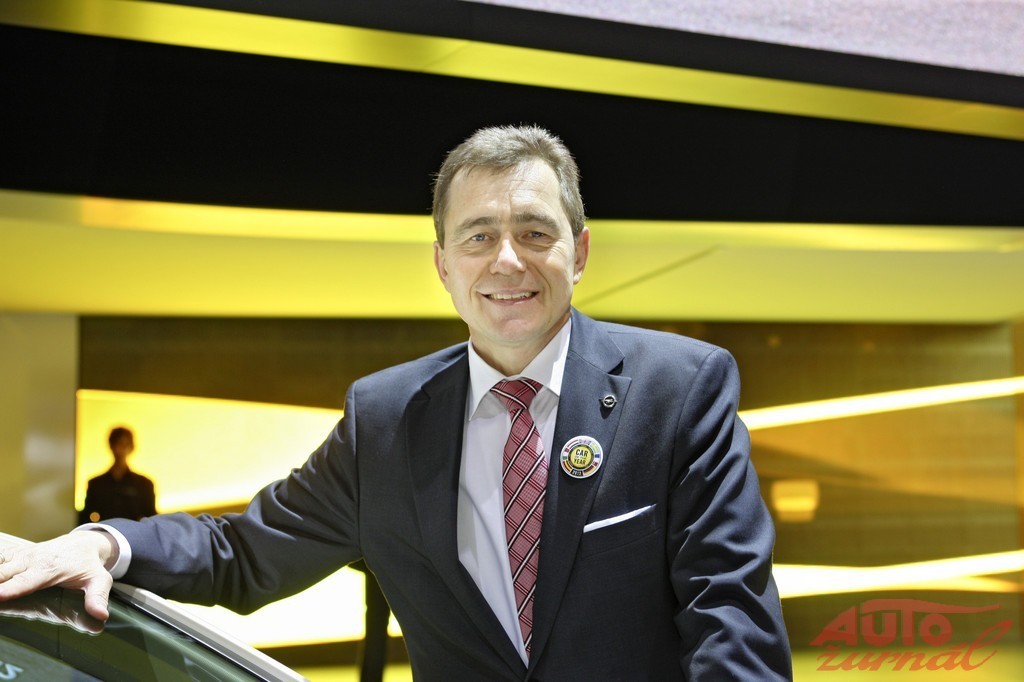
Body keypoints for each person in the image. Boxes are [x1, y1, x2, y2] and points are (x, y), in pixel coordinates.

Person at [0, 125, 792, 679]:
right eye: (477, 236)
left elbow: (732, 622)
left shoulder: (679, 389)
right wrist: (102, 546)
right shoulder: (384, 419)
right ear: (443, 265)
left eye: (535, 232)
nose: (507, 260)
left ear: (579, 252)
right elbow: (245, 552)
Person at [78, 427, 157, 524]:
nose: (122, 448)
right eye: (119, 443)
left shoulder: (144, 484)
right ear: (112, 446)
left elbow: (150, 519)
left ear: (131, 447)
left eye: (126, 444)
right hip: (104, 532)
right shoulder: (96, 484)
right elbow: (86, 518)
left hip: (132, 533)